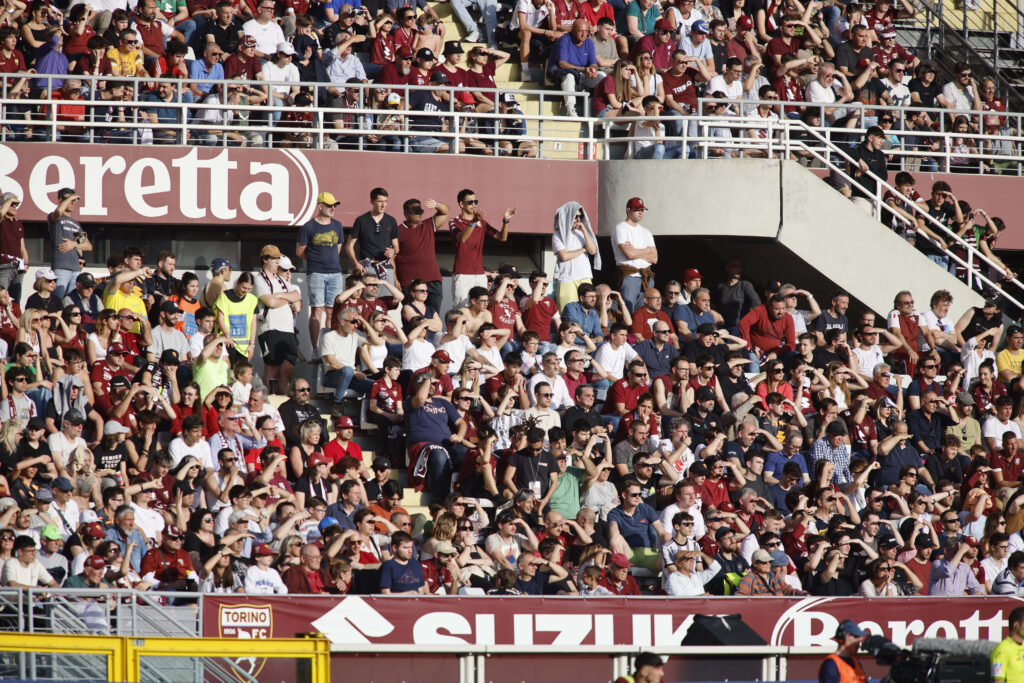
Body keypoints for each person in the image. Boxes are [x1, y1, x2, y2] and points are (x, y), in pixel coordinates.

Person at [297, 191, 345, 358]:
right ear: (321, 206)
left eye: (334, 205)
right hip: (316, 272)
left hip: (335, 273)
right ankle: (316, 348)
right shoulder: (308, 227)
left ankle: (329, 347)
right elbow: (300, 251)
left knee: (332, 311)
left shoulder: (338, 225)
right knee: (317, 310)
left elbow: (338, 247)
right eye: (330, 205)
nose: (333, 208)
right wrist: (315, 261)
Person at [612, 197, 657, 313]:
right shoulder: (620, 228)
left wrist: (636, 251)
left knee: (644, 312)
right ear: (628, 210)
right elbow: (629, 255)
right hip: (630, 275)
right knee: (628, 311)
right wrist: (647, 250)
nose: (641, 212)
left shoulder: (646, 232)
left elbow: (655, 258)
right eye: (637, 210)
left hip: (646, 276)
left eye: (642, 210)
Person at [47, 188, 92, 301]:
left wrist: (74, 244)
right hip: (61, 267)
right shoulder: (56, 218)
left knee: (72, 302)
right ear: (60, 200)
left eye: (74, 200)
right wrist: (72, 197)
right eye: (69, 199)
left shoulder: (76, 224)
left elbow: (89, 246)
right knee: (57, 299)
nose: (72, 202)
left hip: (76, 269)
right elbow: (58, 212)